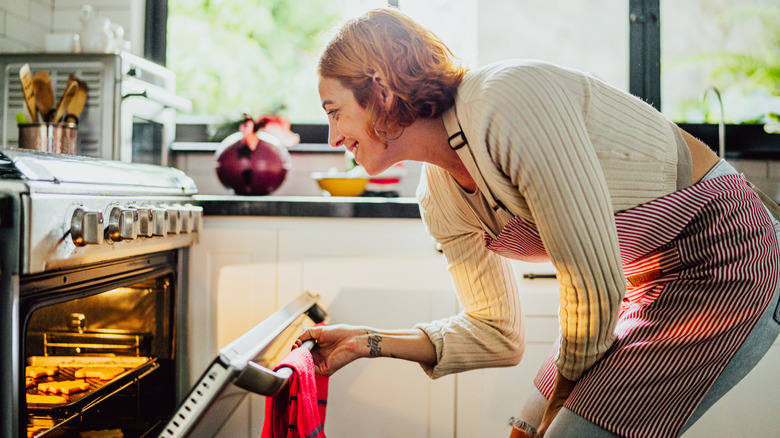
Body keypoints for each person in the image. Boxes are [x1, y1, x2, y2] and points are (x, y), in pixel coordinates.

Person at [295, 8, 780, 438]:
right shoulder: (440, 198)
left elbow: (593, 282)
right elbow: (496, 334)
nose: (335, 135)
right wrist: (368, 343)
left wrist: (556, 407)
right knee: (525, 431)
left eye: (335, 112)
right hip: (638, 287)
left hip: (727, 260)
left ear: (379, 88)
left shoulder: (505, 101)